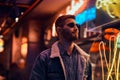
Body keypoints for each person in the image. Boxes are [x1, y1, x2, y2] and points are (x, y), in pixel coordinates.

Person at [30, 15, 92, 80]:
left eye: (77, 25)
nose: (76, 28)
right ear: (59, 30)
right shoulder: (44, 58)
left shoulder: (85, 59)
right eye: (71, 25)